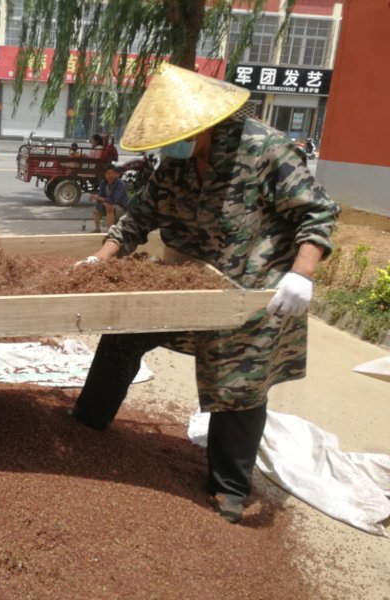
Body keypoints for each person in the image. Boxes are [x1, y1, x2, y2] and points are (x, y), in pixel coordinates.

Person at [69, 64, 339, 523]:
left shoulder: (267, 152)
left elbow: (317, 215)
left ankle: (229, 489)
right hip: (189, 281)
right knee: (126, 333)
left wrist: (302, 274)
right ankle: (88, 426)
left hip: (252, 293)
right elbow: (138, 219)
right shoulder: (177, 162)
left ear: (205, 122)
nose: (170, 145)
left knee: (238, 382)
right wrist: (101, 257)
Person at [88, 163, 128, 233]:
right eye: (108, 173)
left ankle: (110, 231)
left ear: (116, 174)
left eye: (112, 173)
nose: (110, 175)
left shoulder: (120, 184)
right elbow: (100, 195)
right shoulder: (103, 183)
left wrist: (99, 199)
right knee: (96, 210)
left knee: (108, 207)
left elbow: (114, 200)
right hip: (107, 203)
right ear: (105, 174)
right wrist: (100, 202)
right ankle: (97, 229)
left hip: (121, 207)